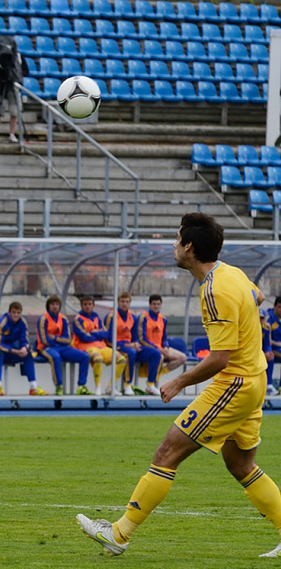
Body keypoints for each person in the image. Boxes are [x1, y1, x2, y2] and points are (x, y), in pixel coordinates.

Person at [77, 212, 281, 558]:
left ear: (189, 247)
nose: (173, 245)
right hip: (255, 379)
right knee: (241, 465)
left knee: (167, 453)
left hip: (234, 383)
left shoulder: (216, 290)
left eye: (176, 239)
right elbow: (257, 298)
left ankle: (119, 533)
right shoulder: (232, 273)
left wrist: (178, 382)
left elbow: (219, 359)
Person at [0, 301, 46, 396]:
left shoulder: (22, 322)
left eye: (18, 313)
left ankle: (33, 387)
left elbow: (24, 339)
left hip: (7, 349)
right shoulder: (2, 322)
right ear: (9, 312)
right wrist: (16, 351)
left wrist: (24, 348)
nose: (16, 315)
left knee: (28, 354)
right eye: (13, 312)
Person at [104, 292, 163, 396]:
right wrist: (128, 345)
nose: (124, 304)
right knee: (131, 353)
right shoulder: (111, 317)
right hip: (115, 345)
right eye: (122, 301)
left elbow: (135, 335)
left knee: (155, 353)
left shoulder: (133, 317)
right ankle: (127, 385)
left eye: (127, 302)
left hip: (130, 346)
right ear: (118, 302)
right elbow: (109, 339)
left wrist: (135, 343)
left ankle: (150, 384)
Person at [35, 295, 92, 396]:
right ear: (48, 306)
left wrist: (55, 338)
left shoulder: (63, 319)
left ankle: (81, 386)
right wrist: (58, 340)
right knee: (55, 357)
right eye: (52, 304)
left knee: (85, 357)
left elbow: (68, 339)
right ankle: (59, 386)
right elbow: (45, 340)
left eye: (57, 304)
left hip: (63, 348)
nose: (55, 307)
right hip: (46, 348)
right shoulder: (43, 319)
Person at [72, 295, 128, 396]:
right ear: (81, 306)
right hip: (86, 347)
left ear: (93, 306)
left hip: (102, 346)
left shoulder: (96, 317)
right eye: (85, 304)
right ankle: (98, 387)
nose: (87, 306)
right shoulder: (78, 319)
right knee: (98, 359)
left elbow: (106, 334)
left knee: (122, 360)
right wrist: (98, 334)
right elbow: (84, 337)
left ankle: (111, 386)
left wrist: (92, 333)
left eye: (89, 304)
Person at [137, 294, 188, 388]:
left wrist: (165, 346)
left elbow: (164, 336)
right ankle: (151, 384)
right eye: (154, 304)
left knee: (182, 357)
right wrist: (158, 348)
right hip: (148, 347)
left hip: (161, 347)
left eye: (158, 304)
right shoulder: (143, 317)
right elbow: (142, 339)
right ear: (150, 305)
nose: (156, 306)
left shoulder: (163, 319)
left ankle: (159, 374)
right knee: (159, 356)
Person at [0, 34, 29, 143]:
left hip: (14, 87)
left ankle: (12, 134)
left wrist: (16, 78)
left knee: (14, 111)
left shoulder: (19, 57)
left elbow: (25, 70)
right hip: (1, 86)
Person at [265, 296, 281, 395]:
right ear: (274, 306)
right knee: (270, 356)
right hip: (269, 349)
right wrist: (277, 343)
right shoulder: (268, 318)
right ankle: (269, 385)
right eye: (279, 307)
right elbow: (266, 339)